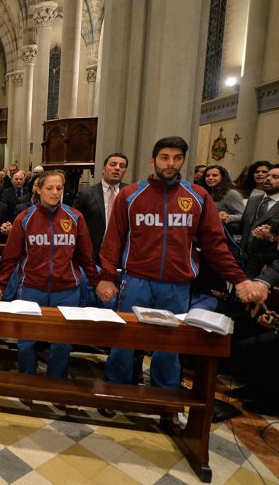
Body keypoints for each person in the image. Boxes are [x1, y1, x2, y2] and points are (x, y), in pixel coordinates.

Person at [98, 136, 257, 401]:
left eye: (177, 158)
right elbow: (112, 239)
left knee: (170, 345)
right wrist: (106, 277)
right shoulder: (131, 194)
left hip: (177, 284)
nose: (170, 163)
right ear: (152, 160)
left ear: (184, 160)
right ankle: (116, 391)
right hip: (136, 280)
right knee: (125, 340)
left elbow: (215, 244)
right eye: (164, 157)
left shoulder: (197, 195)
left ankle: (166, 399)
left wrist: (239, 280)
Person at [0, 171, 102, 379]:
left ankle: (56, 382)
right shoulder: (25, 218)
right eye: (49, 188)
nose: (55, 193)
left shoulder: (74, 217)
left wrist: (97, 283)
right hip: (32, 288)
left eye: (59, 188)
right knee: (26, 339)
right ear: (38, 189)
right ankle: (27, 380)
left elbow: (86, 257)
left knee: (62, 341)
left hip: (67, 290)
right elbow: (10, 257)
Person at [72, 153, 129, 264]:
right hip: (93, 255)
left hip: (122, 254)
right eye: (113, 165)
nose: (117, 168)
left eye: (122, 166)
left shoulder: (131, 193)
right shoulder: (86, 194)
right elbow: (76, 226)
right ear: (104, 169)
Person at [239, 165, 279, 278]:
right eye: (267, 176)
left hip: (270, 261)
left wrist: (271, 235)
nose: (268, 179)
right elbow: (243, 226)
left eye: (275, 177)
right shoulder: (253, 200)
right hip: (245, 257)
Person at [202, 165, 244, 234]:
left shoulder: (231, 194)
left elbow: (242, 215)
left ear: (222, 177)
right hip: (206, 231)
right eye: (208, 176)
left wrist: (228, 217)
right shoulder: (204, 192)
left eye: (215, 175)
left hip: (223, 233)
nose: (210, 178)